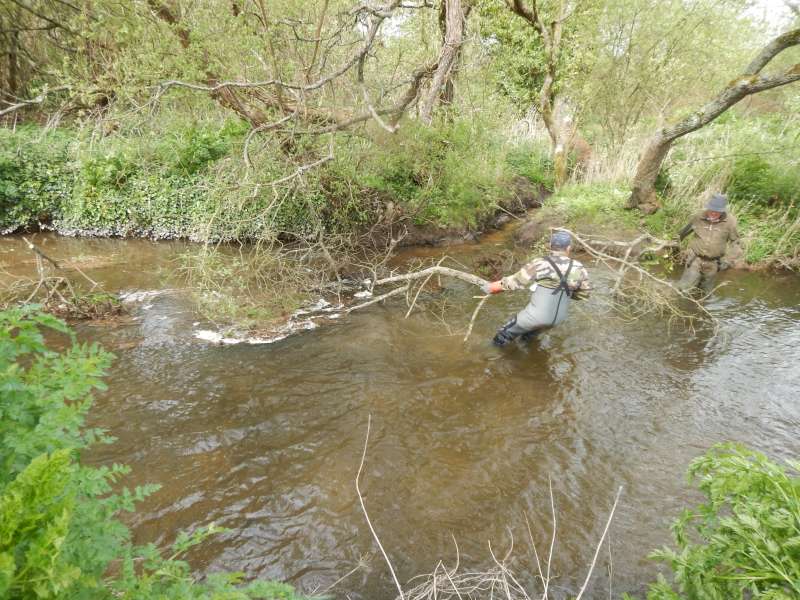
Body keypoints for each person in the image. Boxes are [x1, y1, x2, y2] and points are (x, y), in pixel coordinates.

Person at [482, 230, 591, 347]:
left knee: (502, 336)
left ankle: (490, 354)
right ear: (568, 248)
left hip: (535, 317)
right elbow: (583, 295)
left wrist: (489, 287)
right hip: (557, 320)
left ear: (550, 246)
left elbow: (514, 282)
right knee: (527, 340)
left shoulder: (540, 263)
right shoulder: (579, 267)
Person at [676, 193, 740, 293]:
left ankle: (701, 301)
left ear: (723, 210)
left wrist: (728, 261)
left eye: (717, 211)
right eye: (712, 209)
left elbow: (736, 242)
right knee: (683, 289)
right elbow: (682, 233)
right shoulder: (698, 217)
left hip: (713, 263)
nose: (713, 213)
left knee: (706, 292)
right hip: (695, 259)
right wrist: (674, 244)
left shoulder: (730, 222)